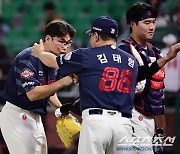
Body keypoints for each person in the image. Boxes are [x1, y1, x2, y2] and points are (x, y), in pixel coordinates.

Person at [32, 16, 180, 154]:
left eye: (91, 35)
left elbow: (54, 62)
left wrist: (39, 53)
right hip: (124, 126)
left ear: (96, 36)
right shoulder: (130, 61)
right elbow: (146, 72)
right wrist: (166, 58)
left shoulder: (86, 55)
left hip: (96, 122)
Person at [0, 19, 76, 154]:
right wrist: (63, 82)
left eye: (68, 43)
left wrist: (61, 110)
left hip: (36, 118)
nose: (65, 46)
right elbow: (33, 93)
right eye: (61, 41)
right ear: (48, 38)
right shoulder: (29, 57)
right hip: (17, 115)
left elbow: (50, 91)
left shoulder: (52, 60)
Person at [117, 2, 169, 153]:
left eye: (153, 22)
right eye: (146, 22)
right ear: (132, 24)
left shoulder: (156, 53)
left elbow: (158, 92)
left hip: (149, 120)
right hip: (130, 117)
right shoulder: (124, 51)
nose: (151, 27)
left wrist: (160, 129)